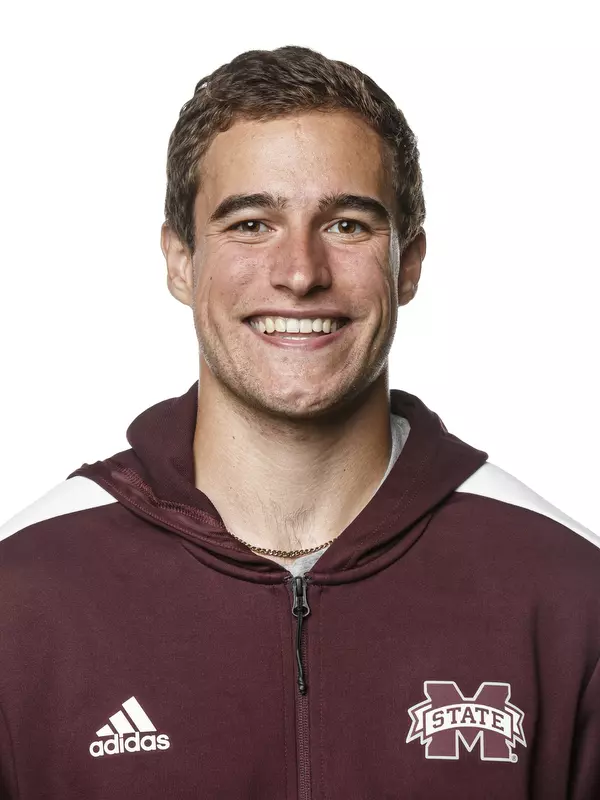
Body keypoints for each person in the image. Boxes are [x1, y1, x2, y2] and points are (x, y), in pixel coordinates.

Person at [0, 45, 598, 800]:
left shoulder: (568, 596)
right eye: (251, 224)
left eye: (347, 224)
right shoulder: (23, 601)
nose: (300, 273)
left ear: (406, 263)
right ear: (180, 261)